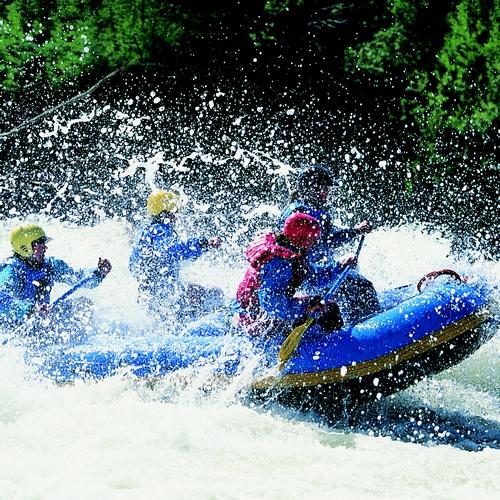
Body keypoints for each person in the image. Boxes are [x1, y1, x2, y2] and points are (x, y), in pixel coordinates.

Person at [280, 163, 380, 323]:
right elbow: (330, 239)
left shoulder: (306, 210)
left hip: (315, 273)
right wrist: (355, 231)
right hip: (312, 276)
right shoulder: (301, 213)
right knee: (361, 286)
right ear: (311, 188)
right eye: (324, 189)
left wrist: (355, 231)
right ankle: (373, 329)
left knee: (354, 285)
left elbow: (329, 239)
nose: (327, 194)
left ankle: (359, 322)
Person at [233, 212, 356, 337]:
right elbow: (271, 303)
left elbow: (314, 277)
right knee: (328, 310)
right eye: (312, 239)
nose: (315, 243)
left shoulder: (293, 252)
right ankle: (333, 349)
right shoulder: (279, 264)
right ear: (301, 239)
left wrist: (339, 266)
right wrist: (306, 307)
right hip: (253, 316)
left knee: (325, 306)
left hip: (263, 309)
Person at [129, 190, 224, 322]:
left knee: (197, 291)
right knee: (214, 295)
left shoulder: (146, 231)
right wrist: (202, 243)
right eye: (175, 211)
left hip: (150, 294)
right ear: (167, 212)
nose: (177, 215)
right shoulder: (160, 230)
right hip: (165, 299)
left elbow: (133, 265)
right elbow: (172, 251)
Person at [0, 223, 112, 331]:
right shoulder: (11, 272)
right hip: (17, 326)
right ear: (25, 247)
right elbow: (2, 303)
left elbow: (78, 278)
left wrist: (99, 273)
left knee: (84, 305)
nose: (45, 248)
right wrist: (31, 309)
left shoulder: (51, 265)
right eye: (41, 243)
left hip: (41, 320)